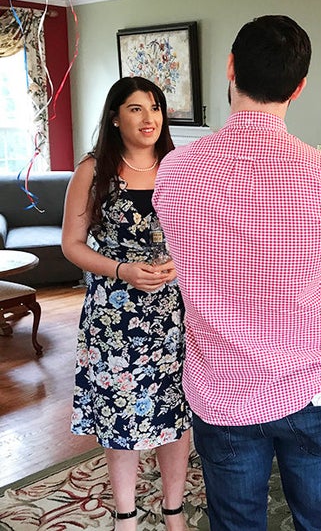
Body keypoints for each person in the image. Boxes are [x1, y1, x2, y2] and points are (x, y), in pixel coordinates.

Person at [152, 15, 321, 531]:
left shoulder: (177, 169)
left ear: (230, 68)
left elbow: (190, 245)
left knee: (235, 523)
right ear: (299, 87)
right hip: (310, 379)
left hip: (221, 382)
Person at [61, 76, 191, 531]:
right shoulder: (93, 170)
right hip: (115, 315)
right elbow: (72, 245)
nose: (149, 117)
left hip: (175, 314)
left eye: (155, 107)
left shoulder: (181, 167)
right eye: (136, 108)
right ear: (115, 117)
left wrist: (181, 261)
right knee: (121, 414)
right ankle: (126, 514)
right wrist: (122, 270)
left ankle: (173, 509)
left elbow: (200, 237)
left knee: (177, 414)